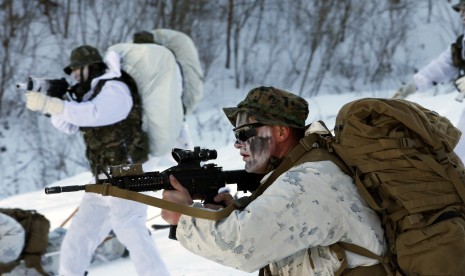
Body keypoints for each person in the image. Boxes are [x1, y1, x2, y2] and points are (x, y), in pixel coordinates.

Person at [161, 86, 386, 275]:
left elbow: (241, 245)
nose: (238, 144)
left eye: (245, 133)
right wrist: (242, 212)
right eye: (236, 135)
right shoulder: (304, 171)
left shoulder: (309, 180)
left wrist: (184, 217)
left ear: (280, 133)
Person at [25, 45, 171, 276]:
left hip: (127, 169)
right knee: (80, 233)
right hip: (104, 175)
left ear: (90, 67)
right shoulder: (90, 94)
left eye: (76, 70)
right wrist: (54, 105)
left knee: (129, 226)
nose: (73, 76)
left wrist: (57, 105)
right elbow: (69, 125)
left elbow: (96, 114)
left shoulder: (114, 87)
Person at [393, 0, 465, 160]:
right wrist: (411, 87)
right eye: (460, 10)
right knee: (459, 152)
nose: (462, 14)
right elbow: (440, 67)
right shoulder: (462, 43)